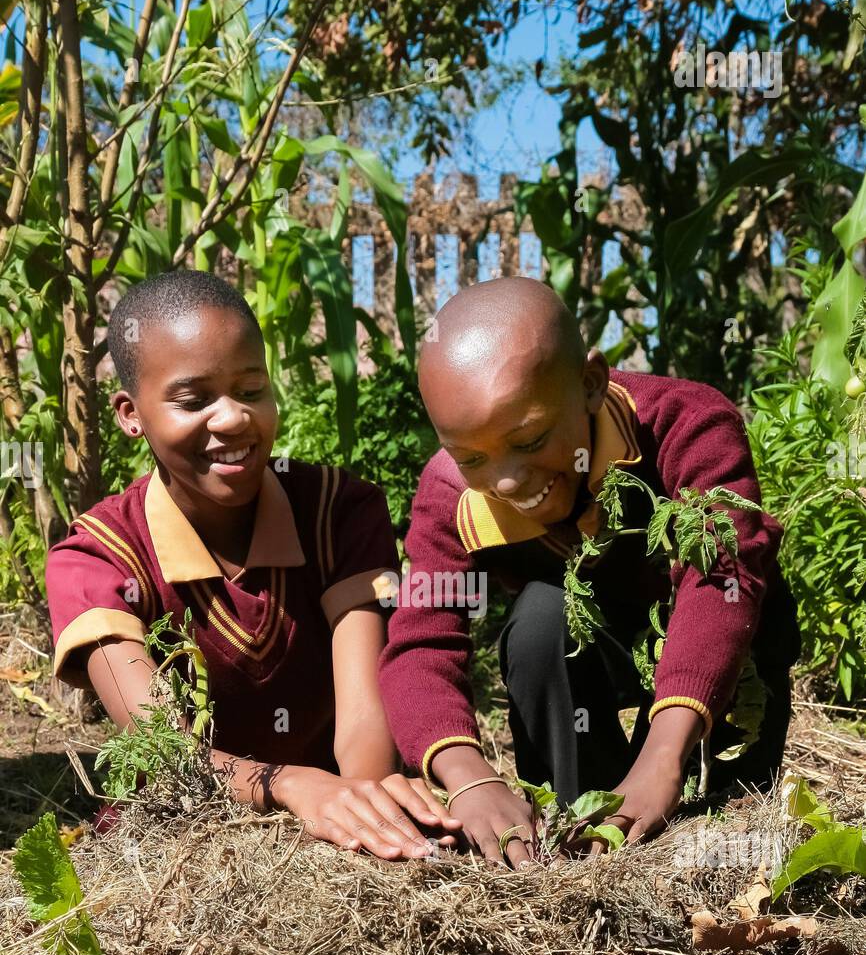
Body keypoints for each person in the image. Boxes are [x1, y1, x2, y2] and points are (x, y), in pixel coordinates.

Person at [378, 277, 800, 867]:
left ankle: (723, 796)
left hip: (711, 643)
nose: (505, 479)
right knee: (540, 620)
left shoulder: (685, 422)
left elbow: (722, 577)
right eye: (471, 456)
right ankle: (586, 826)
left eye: (529, 438)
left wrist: (662, 757)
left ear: (591, 384)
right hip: (590, 648)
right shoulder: (449, 495)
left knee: (734, 832)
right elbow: (421, 644)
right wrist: (471, 779)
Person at [46, 269, 460, 859]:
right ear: (130, 414)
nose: (234, 418)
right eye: (194, 400)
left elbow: (364, 717)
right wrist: (288, 785)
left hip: (331, 811)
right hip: (183, 841)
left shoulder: (337, 511)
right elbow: (164, 749)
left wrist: (364, 806)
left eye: (251, 389)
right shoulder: (96, 559)